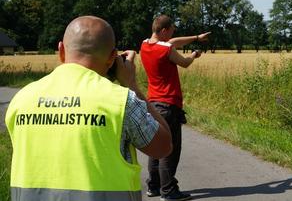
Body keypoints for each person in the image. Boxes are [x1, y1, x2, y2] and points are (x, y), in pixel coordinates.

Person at [5, 16, 172, 201]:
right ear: (111, 58)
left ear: (61, 50)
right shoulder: (120, 100)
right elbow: (164, 147)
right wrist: (131, 84)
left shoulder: (21, 99)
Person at [140, 15, 210, 200]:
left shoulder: (145, 44)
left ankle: (153, 187)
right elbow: (185, 63)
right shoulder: (166, 49)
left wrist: (196, 37)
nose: (173, 33)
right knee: (169, 149)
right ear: (164, 31)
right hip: (168, 104)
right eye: (171, 30)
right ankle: (169, 191)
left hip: (153, 103)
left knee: (155, 147)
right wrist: (193, 55)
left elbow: (171, 42)